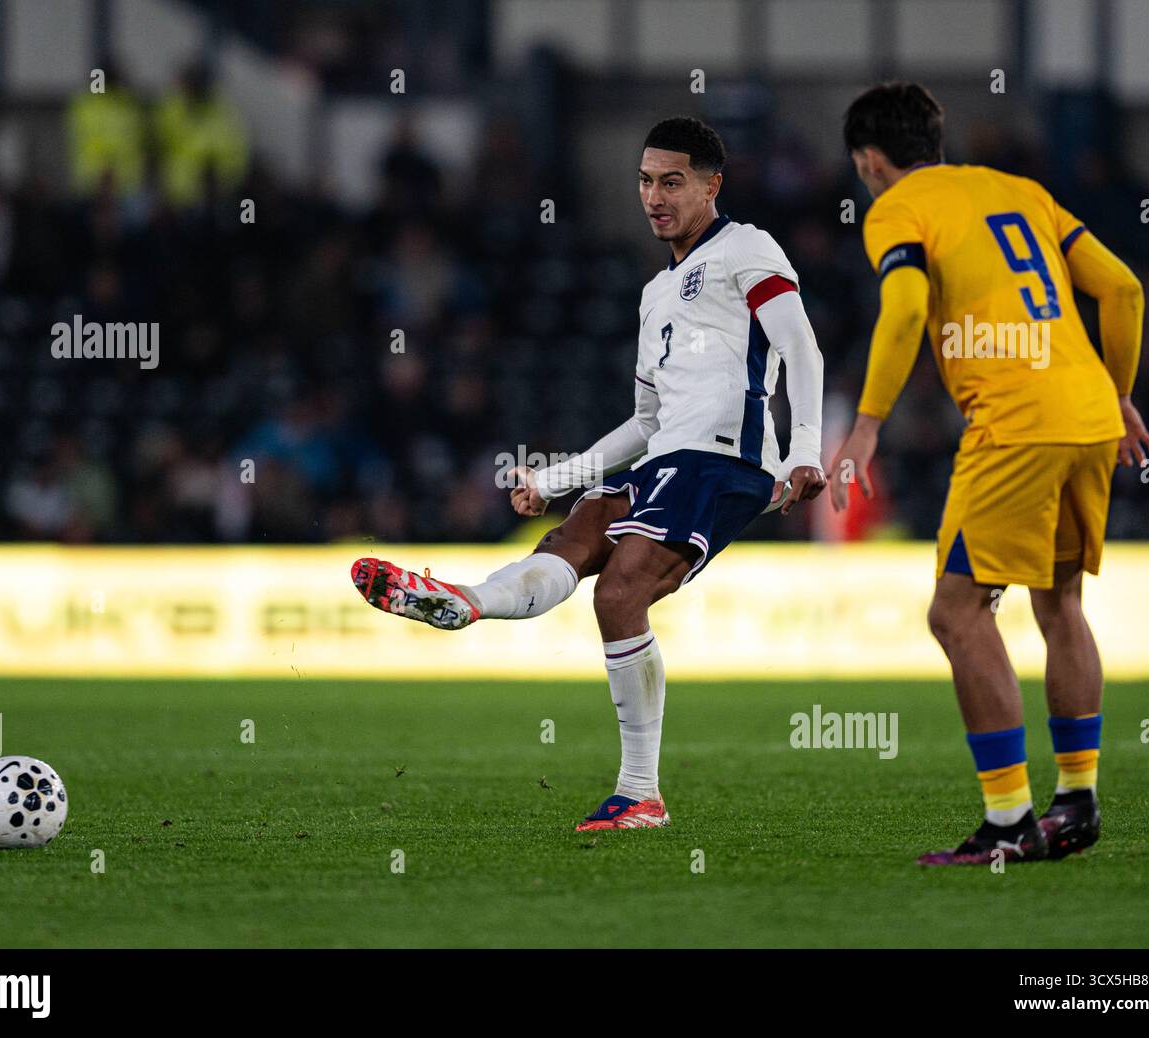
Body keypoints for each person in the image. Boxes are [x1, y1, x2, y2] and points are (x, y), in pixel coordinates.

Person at [352, 117, 826, 831]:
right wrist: (557, 477)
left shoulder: (747, 248)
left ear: (710, 185)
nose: (654, 196)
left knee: (622, 590)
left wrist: (806, 449)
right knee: (570, 537)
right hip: (669, 455)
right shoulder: (653, 295)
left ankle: (640, 793)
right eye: (644, 181)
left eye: (672, 182)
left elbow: (802, 345)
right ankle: (466, 602)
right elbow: (645, 421)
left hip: (724, 457)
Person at [827, 82, 1149, 865]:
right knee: (1060, 603)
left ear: (871, 161)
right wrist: (1120, 395)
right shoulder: (1021, 191)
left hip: (1016, 423)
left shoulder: (897, 209)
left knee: (958, 612)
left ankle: (1008, 823)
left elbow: (905, 311)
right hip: (1088, 412)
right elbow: (1123, 288)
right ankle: (1075, 803)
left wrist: (865, 424)